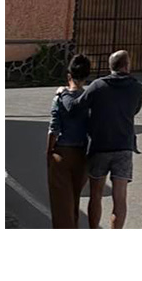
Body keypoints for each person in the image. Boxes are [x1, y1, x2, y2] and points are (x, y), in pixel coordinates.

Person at [82, 49, 142, 229]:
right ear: (127, 65)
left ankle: (93, 229)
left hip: (100, 145)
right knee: (120, 197)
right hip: (124, 145)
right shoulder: (137, 87)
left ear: (110, 66)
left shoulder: (98, 86)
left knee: (96, 193)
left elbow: (80, 105)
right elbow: (135, 110)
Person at [46, 53, 92, 228]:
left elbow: (54, 128)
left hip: (62, 152)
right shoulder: (89, 99)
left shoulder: (60, 97)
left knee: (61, 204)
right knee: (74, 199)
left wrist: (49, 151)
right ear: (86, 77)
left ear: (69, 76)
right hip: (82, 153)